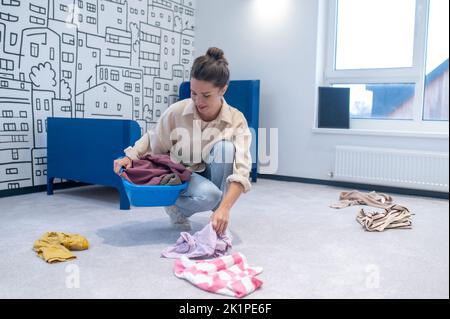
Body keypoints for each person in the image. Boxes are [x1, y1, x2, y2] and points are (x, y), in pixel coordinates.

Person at [113, 47, 252, 235]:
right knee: (210, 196)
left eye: (206, 95)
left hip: (213, 174)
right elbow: (154, 136)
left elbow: (242, 171)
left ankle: (217, 209)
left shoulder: (236, 119)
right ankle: (176, 208)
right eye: (194, 93)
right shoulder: (177, 111)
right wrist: (130, 155)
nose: (198, 100)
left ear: (223, 90)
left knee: (226, 149)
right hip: (182, 172)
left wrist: (225, 208)